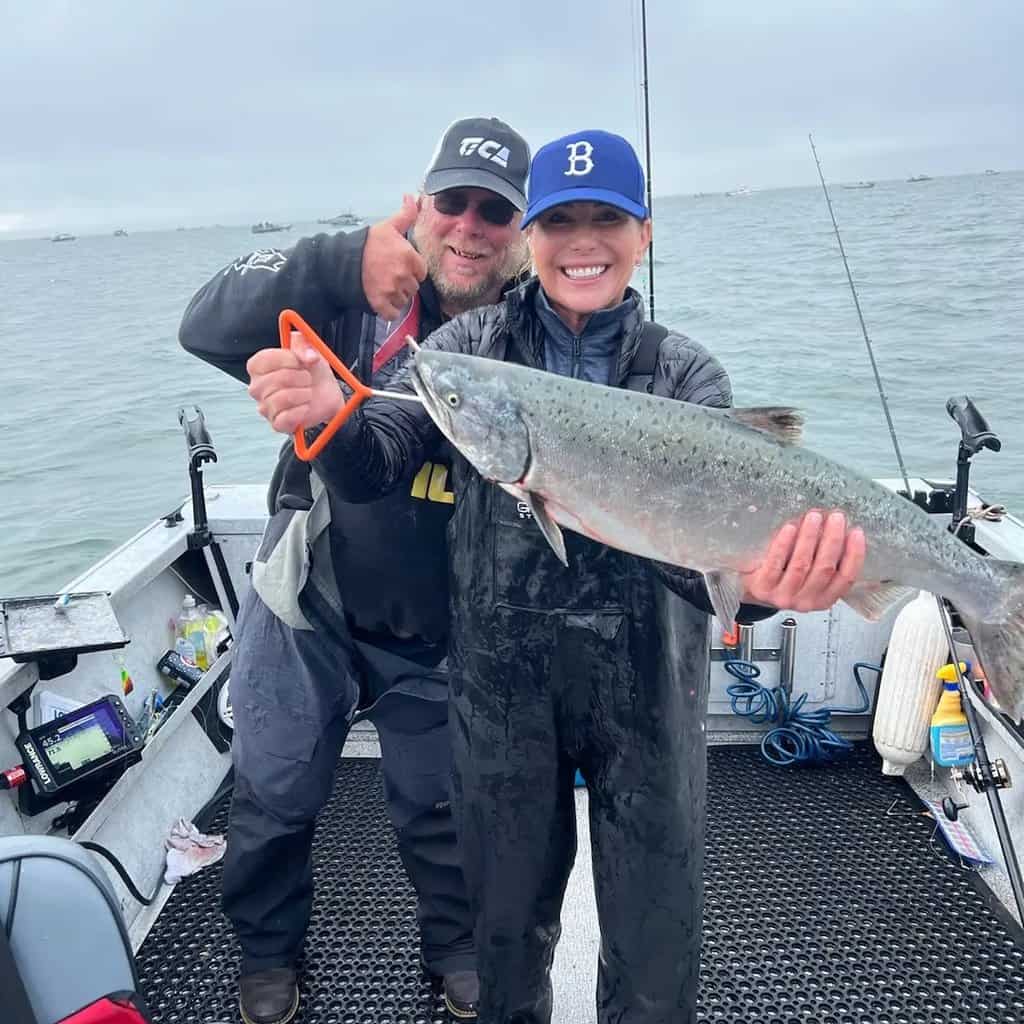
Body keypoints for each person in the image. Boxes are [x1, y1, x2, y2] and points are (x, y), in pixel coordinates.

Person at [247, 129, 866, 1023]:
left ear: (643, 233)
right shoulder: (471, 347)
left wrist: (776, 586)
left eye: (606, 220)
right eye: (559, 221)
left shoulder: (685, 372)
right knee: (502, 934)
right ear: (528, 239)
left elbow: (704, 567)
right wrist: (332, 420)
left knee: (657, 944)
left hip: (648, 696)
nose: (583, 242)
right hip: (499, 695)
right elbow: (383, 460)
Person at [178, 116, 532, 1024]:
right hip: (311, 597)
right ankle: (267, 952)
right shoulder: (355, 291)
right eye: (452, 201)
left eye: (496, 211)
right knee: (273, 789)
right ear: (419, 207)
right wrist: (336, 262)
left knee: (441, 806)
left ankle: (454, 945)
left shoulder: (530, 336)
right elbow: (202, 322)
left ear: (523, 233)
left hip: (442, 620)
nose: (469, 226)